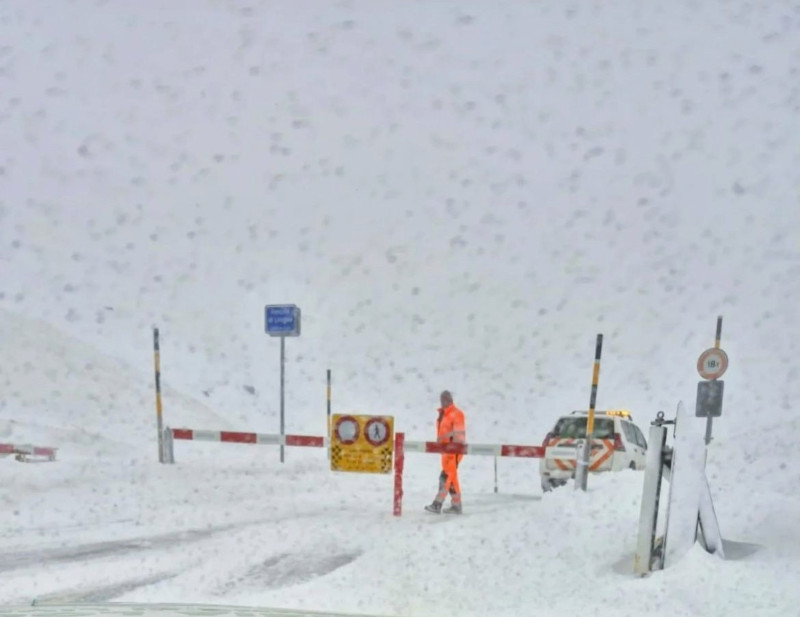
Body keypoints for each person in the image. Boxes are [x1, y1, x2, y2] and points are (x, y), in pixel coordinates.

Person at [425, 390, 466, 514]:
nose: (443, 401)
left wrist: (452, 446)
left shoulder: (456, 414)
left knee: (445, 477)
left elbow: (459, 434)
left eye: (446, 399)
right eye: (442, 399)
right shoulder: (443, 414)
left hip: (453, 451)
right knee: (452, 478)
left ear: (451, 399)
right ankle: (456, 505)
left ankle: (437, 504)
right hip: (445, 451)